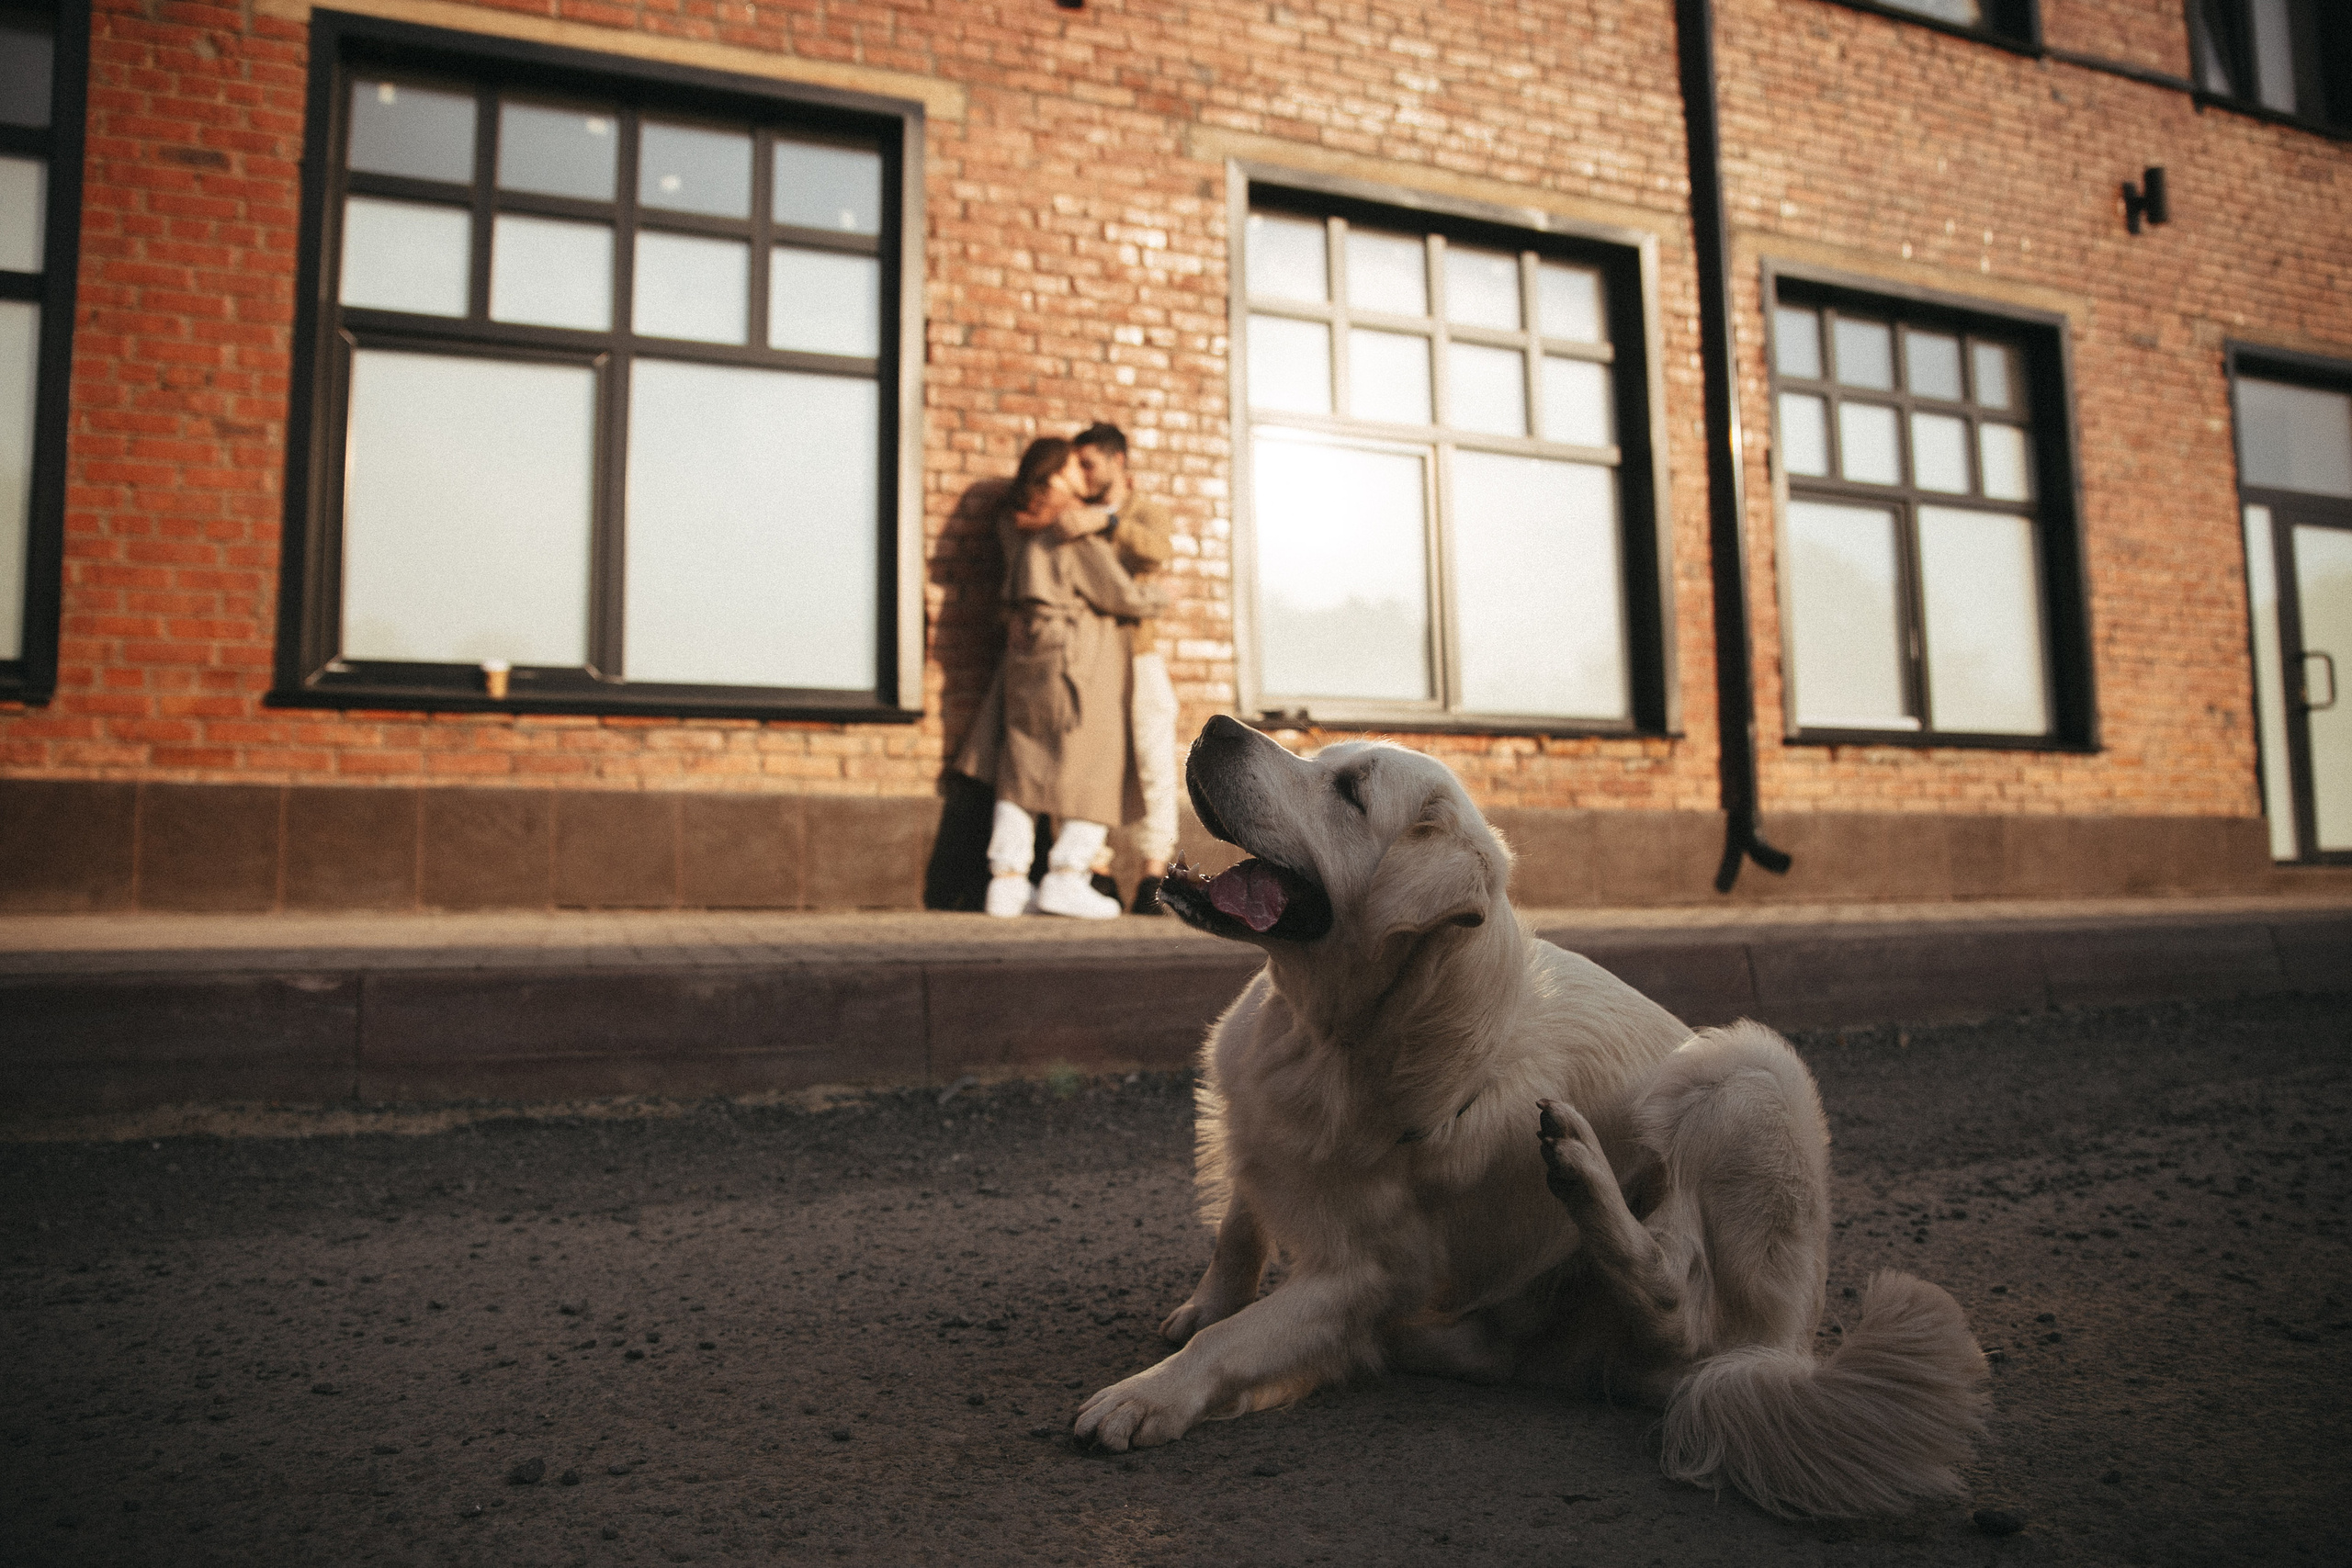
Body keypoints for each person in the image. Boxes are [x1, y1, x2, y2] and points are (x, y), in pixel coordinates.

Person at [953, 436, 1159, 919]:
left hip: (1025, 655)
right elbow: (1118, 594)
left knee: (1021, 767)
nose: (1080, 477)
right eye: (1072, 467)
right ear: (1054, 474)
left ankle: (1007, 881)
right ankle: (1068, 874)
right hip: (1078, 659)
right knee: (1096, 763)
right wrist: (1160, 598)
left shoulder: (1016, 522)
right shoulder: (1071, 527)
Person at [1071, 423, 1179, 915]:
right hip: (1090, 659)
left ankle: (1155, 872)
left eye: (1090, 463)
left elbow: (1158, 551)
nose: (1083, 474)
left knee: (1153, 759)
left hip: (1138, 655)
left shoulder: (1144, 512)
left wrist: (1108, 524)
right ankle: (1097, 871)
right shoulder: (1072, 511)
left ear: (1118, 460)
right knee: (1088, 762)